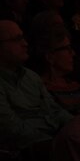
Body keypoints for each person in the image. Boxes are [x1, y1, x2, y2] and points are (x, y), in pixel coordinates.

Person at [0, 19, 72, 150]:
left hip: (54, 140)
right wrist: (54, 143)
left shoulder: (31, 76)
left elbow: (55, 110)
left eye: (23, 37)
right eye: (17, 39)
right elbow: (10, 127)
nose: (25, 43)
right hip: (27, 154)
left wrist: (78, 128)